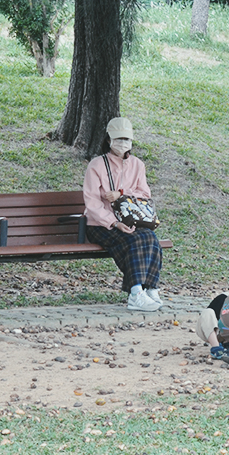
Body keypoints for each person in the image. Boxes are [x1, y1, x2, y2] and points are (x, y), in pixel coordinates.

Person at [83, 116, 164, 312]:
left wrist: (120, 193)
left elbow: (144, 194)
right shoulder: (96, 165)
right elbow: (92, 202)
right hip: (99, 225)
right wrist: (114, 222)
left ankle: (151, 288)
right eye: (118, 139)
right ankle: (136, 293)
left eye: (126, 139)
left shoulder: (137, 165)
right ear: (109, 140)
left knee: (150, 237)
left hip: (131, 220)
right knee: (133, 240)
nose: (123, 143)